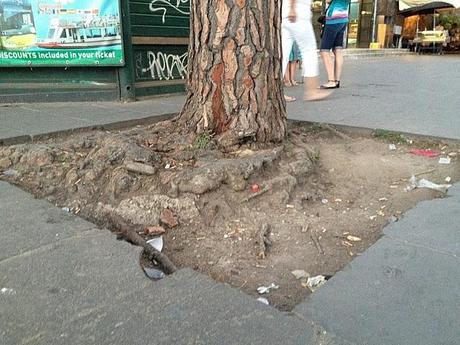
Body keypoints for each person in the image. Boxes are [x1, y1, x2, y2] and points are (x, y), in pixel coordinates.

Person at [282, 0, 332, 101]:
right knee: (309, 51)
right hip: (298, 15)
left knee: (284, 54)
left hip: (287, 14)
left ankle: (277, 91)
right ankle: (312, 91)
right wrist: (292, 8)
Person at [319, 0, 351, 89]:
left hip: (333, 19)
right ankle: (337, 80)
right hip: (343, 18)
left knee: (324, 51)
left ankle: (331, 81)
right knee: (338, 50)